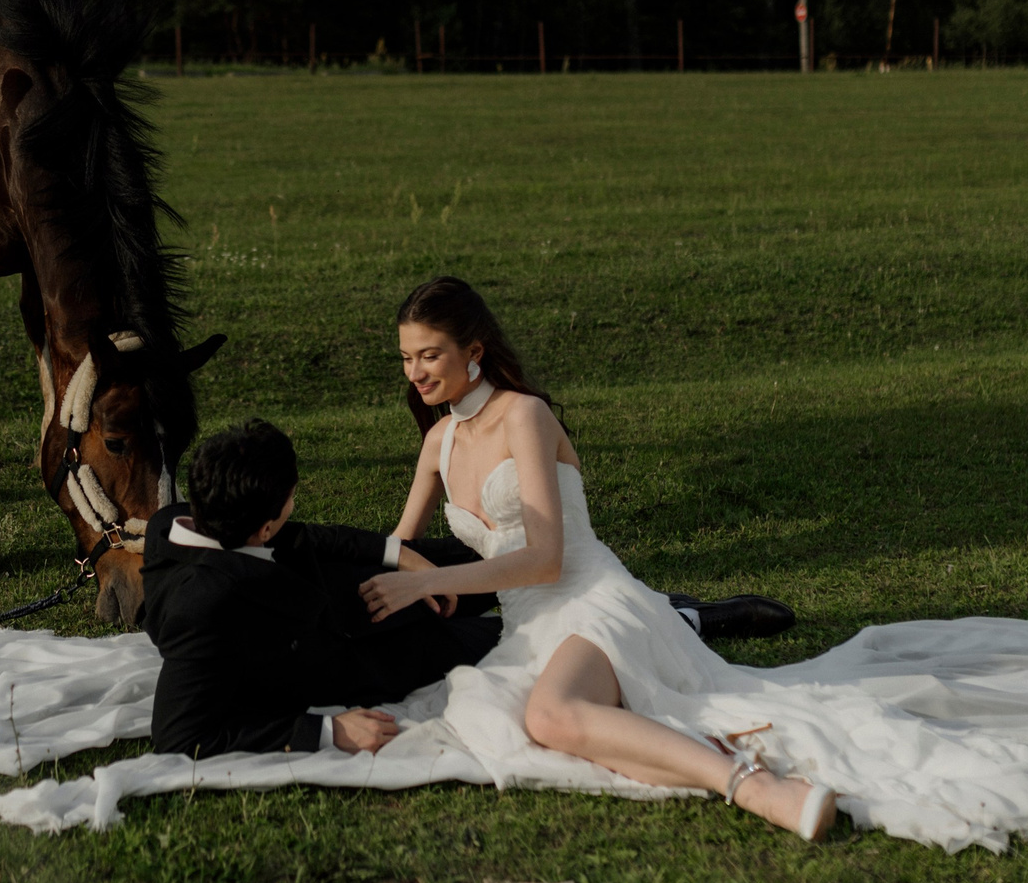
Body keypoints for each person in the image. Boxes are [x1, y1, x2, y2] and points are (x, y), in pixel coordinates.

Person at [360, 277, 843, 841]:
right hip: (528, 627)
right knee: (507, 721)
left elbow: (546, 560)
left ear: (474, 351)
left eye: (429, 355)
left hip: (591, 599)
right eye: (406, 358)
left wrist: (430, 582)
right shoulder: (437, 443)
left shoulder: (524, 416)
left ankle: (757, 786)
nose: (415, 372)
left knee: (548, 716)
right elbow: (398, 546)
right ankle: (704, 756)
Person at [140, 418, 502, 758]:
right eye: (291, 499)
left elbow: (301, 536)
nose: (294, 505)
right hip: (380, 651)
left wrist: (400, 555)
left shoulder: (177, 521)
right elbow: (177, 736)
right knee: (521, 631)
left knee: (504, 557)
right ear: (264, 529)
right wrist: (327, 731)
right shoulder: (200, 607)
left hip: (362, 573)